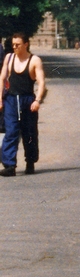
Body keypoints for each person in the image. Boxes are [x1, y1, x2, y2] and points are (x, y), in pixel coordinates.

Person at [1, 32, 46, 177]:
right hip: (11, 99)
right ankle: (9, 165)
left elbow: (41, 82)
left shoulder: (34, 60)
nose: (14, 47)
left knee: (29, 133)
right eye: (13, 44)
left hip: (27, 100)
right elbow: (2, 79)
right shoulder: (9, 58)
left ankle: (30, 162)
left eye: (17, 45)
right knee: (11, 131)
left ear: (26, 44)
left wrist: (37, 100)